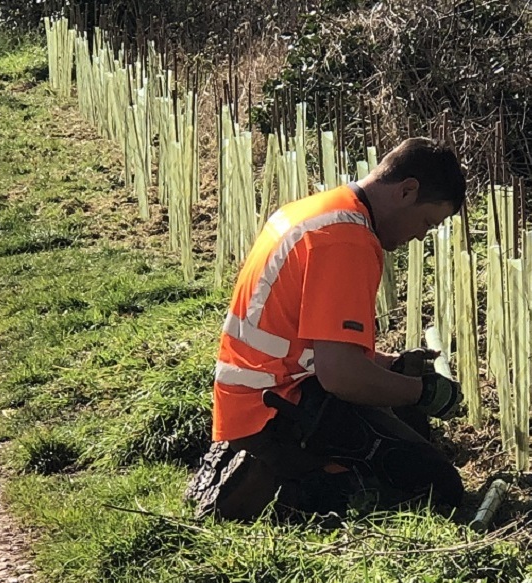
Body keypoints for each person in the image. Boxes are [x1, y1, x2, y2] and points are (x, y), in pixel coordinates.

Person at [185, 137, 467, 521]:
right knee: (435, 484)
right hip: (273, 410)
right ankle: (289, 482)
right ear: (407, 190)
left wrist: (390, 364)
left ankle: (281, 467)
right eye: (427, 222)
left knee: (407, 423)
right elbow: (340, 376)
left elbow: (312, 342)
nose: (420, 236)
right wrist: (425, 392)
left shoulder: (322, 211)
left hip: (249, 397)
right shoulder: (346, 241)